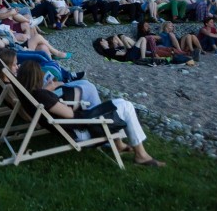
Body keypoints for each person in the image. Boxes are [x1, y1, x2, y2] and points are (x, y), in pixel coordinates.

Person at [17, 61, 165, 167]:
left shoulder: (30, 94)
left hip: (79, 124)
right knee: (126, 107)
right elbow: (69, 114)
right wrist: (74, 105)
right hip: (82, 129)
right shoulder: (41, 95)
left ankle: (120, 145)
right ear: (37, 78)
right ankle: (141, 155)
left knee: (119, 103)